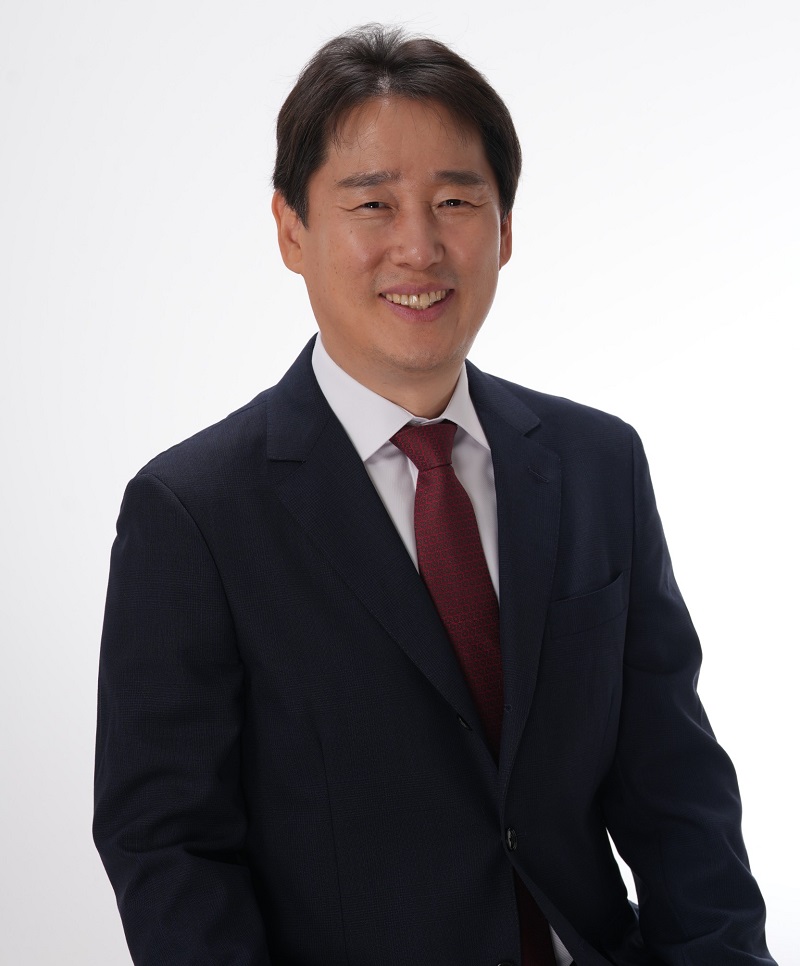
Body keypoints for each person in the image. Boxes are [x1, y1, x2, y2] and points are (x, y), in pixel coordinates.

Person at [93, 24, 776, 966]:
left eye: (456, 201)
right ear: (292, 230)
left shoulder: (596, 464)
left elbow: (679, 792)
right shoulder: (194, 513)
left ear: (505, 229)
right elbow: (170, 849)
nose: (418, 247)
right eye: (372, 204)